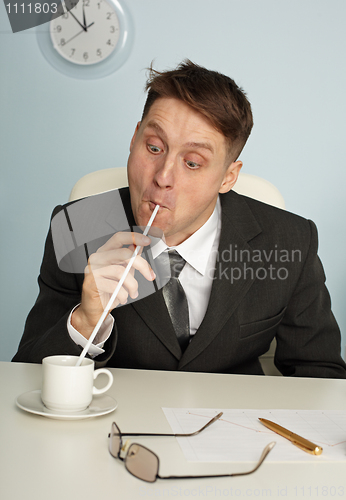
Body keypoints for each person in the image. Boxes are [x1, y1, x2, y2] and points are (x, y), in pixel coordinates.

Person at [12, 60, 346, 378]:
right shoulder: (77, 227)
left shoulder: (290, 241)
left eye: (193, 163)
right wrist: (86, 320)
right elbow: (26, 372)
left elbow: (320, 372)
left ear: (229, 177)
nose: (163, 177)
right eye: (154, 147)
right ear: (134, 139)